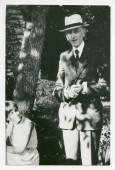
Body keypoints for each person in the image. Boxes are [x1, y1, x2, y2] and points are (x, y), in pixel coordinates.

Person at [53, 13, 109, 165]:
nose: (72, 35)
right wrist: (66, 92)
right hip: (68, 118)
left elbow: (107, 86)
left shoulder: (98, 53)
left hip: (89, 118)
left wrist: (85, 88)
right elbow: (57, 88)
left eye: (76, 30)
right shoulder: (63, 56)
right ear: (65, 36)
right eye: (69, 32)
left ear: (84, 31)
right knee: (70, 162)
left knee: (88, 163)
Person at [6, 101, 39, 165]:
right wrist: (9, 126)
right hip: (15, 155)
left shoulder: (28, 124)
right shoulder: (10, 124)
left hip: (29, 157)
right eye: (12, 113)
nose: (17, 113)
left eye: (16, 110)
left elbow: (20, 149)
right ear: (7, 117)